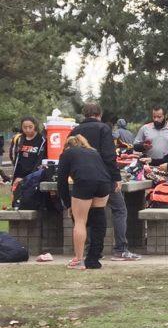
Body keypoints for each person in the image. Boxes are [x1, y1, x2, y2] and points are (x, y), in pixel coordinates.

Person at [70, 103, 140, 261]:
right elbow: (109, 156)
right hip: (103, 178)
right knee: (119, 209)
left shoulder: (75, 130)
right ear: (99, 114)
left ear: (85, 114)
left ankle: (90, 250)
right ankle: (120, 249)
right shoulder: (103, 129)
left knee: (87, 214)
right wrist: (116, 177)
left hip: (82, 179)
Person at [56, 135, 111, 269]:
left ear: (67, 146)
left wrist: (68, 204)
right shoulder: (93, 152)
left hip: (85, 181)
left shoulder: (67, 153)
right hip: (104, 183)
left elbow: (61, 182)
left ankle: (79, 260)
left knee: (80, 221)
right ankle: (93, 259)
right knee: (98, 219)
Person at [9, 117, 45, 197]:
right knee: (17, 198)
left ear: (35, 126)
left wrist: (27, 179)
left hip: (33, 175)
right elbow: (14, 156)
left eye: (30, 127)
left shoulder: (42, 140)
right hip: (19, 174)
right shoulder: (19, 139)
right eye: (25, 127)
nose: (28, 130)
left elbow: (40, 160)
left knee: (30, 199)